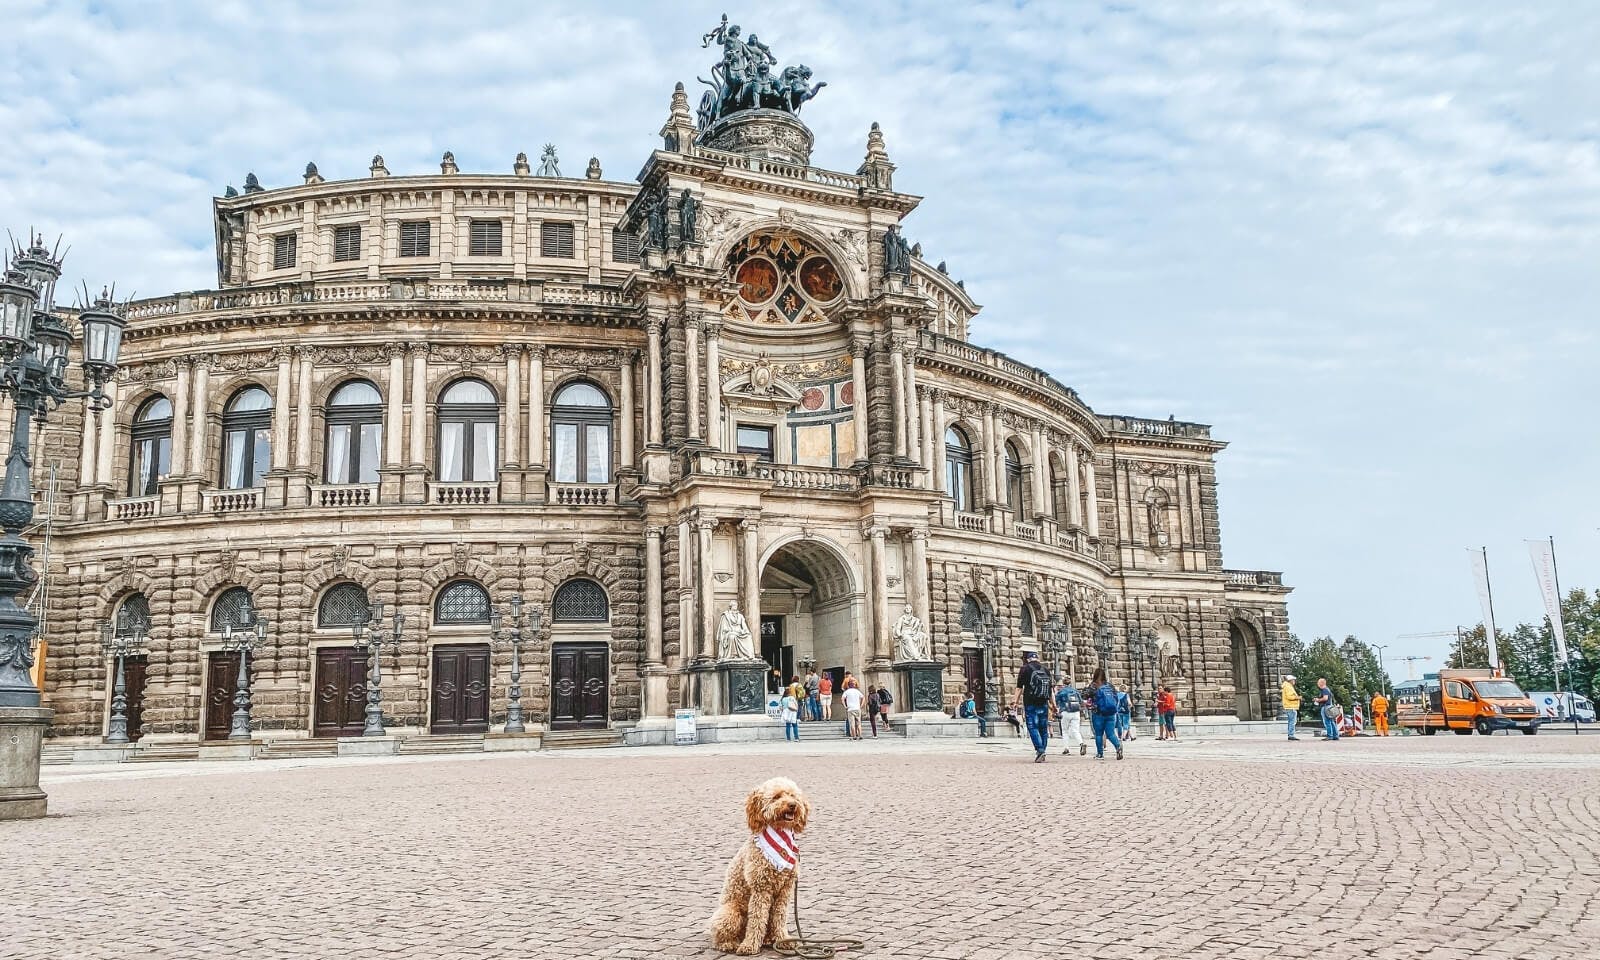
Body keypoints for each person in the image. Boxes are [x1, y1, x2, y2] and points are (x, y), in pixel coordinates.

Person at [1087, 667, 1124, 760]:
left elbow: (1085, 696)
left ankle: (1100, 754)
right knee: (1111, 733)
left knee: (1099, 734)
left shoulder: (1093, 686)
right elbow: (1116, 698)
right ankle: (1118, 746)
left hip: (1098, 713)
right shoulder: (1110, 686)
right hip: (1111, 713)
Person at [1055, 674, 1086, 756]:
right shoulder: (1075, 691)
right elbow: (1081, 701)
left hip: (1065, 712)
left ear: (1063, 683)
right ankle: (1081, 743)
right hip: (1076, 712)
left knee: (1065, 731)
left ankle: (1066, 748)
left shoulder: (1061, 692)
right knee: (1076, 730)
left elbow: (1056, 701)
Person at [1281, 674, 1302, 741]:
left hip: (1290, 706)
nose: (1294, 681)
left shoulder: (1287, 686)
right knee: (1292, 721)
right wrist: (1298, 697)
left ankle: (1291, 735)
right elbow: (1289, 697)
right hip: (1291, 706)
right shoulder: (1288, 687)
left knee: (1291, 721)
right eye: (1293, 680)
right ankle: (1291, 735)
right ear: (1290, 680)